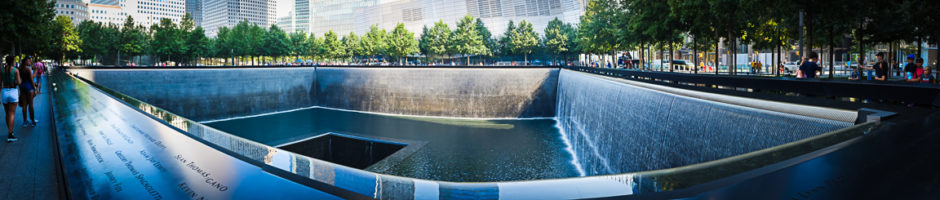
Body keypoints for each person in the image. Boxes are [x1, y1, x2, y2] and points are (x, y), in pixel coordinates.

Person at [2, 56, 20, 142]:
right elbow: (19, 82)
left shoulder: (2, 70)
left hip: (4, 91)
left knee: (7, 113)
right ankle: (10, 134)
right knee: (12, 114)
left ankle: (9, 131)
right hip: (13, 91)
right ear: (12, 61)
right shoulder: (16, 70)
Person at [18, 57, 36, 128]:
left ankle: (25, 121)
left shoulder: (20, 69)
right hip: (29, 87)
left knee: (24, 105)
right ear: (25, 61)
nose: (30, 62)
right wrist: (34, 88)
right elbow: (31, 80)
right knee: (31, 105)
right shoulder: (28, 69)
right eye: (29, 61)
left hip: (23, 87)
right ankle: (32, 121)